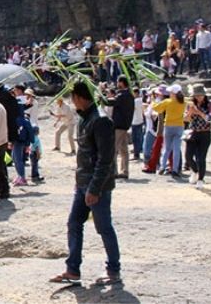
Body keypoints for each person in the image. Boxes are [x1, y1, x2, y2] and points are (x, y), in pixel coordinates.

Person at [50, 82, 120, 287]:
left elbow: (106, 159)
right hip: (82, 183)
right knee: (74, 224)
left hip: (96, 185)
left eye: (73, 98)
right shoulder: (84, 119)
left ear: (79, 98)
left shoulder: (100, 121)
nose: (73, 102)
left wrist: (95, 188)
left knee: (104, 227)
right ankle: (73, 269)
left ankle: (114, 271)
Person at [153, 84, 186, 178]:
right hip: (179, 126)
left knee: (167, 149)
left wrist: (155, 100)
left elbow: (156, 108)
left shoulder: (168, 102)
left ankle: (162, 167)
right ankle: (175, 169)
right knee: (176, 149)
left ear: (173, 93)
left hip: (168, 126)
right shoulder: (184, 102)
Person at [185, 84, 211, 189]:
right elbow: (186, 120)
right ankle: (195, 171)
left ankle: (200, 179)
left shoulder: (210, 105)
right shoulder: (190, 105)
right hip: (193, 132)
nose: (198, 97)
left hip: (205, 133)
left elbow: (210, 118)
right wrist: (190, 113)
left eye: (200, 95)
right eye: (196, 95)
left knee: (201, 158)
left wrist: (199, 112)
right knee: (188, 156)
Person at [107, 76, 134, 179]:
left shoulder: (122, 95)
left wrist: (102, 98)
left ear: (122, 83)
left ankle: (114, 171)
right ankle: (125, 171)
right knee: (124, 150)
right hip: (125, 125)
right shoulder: (129, 95)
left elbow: (111, 102)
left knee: (114, 149)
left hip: (119, 125)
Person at [131, 88, 144, 161]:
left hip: (135, 121)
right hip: (140, 120)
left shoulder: (135, 101)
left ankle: (136, 154)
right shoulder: (141, 100)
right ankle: (138, 151)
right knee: (139, 137)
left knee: (135, 139)